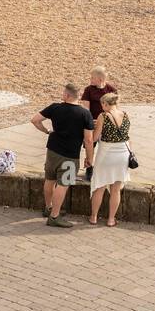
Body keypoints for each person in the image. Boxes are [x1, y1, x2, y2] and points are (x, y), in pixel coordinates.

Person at [31, 83, 95, 228]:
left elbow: (35, 120)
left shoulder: (55, 107)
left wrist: (47, 131)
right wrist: (89, 158)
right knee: (63, 184)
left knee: (50, 179)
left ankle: (49, 208)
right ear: (78, 96)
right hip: (70, 155)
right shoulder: (85, 114)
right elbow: (89, 140)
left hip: (52, 150)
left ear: (66, 95)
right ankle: (54, 216)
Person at [89, 92, 131, 226]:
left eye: (102, 104)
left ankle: (94, 217)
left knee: (99, 186)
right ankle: (111, 219)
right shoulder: (125, 114)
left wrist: (93, 127)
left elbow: (95, 138)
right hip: (123, 154)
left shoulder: (103, 116)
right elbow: (127, 136)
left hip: (107, 154)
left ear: (106, 104)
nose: (101, 107)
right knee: (116, 189)